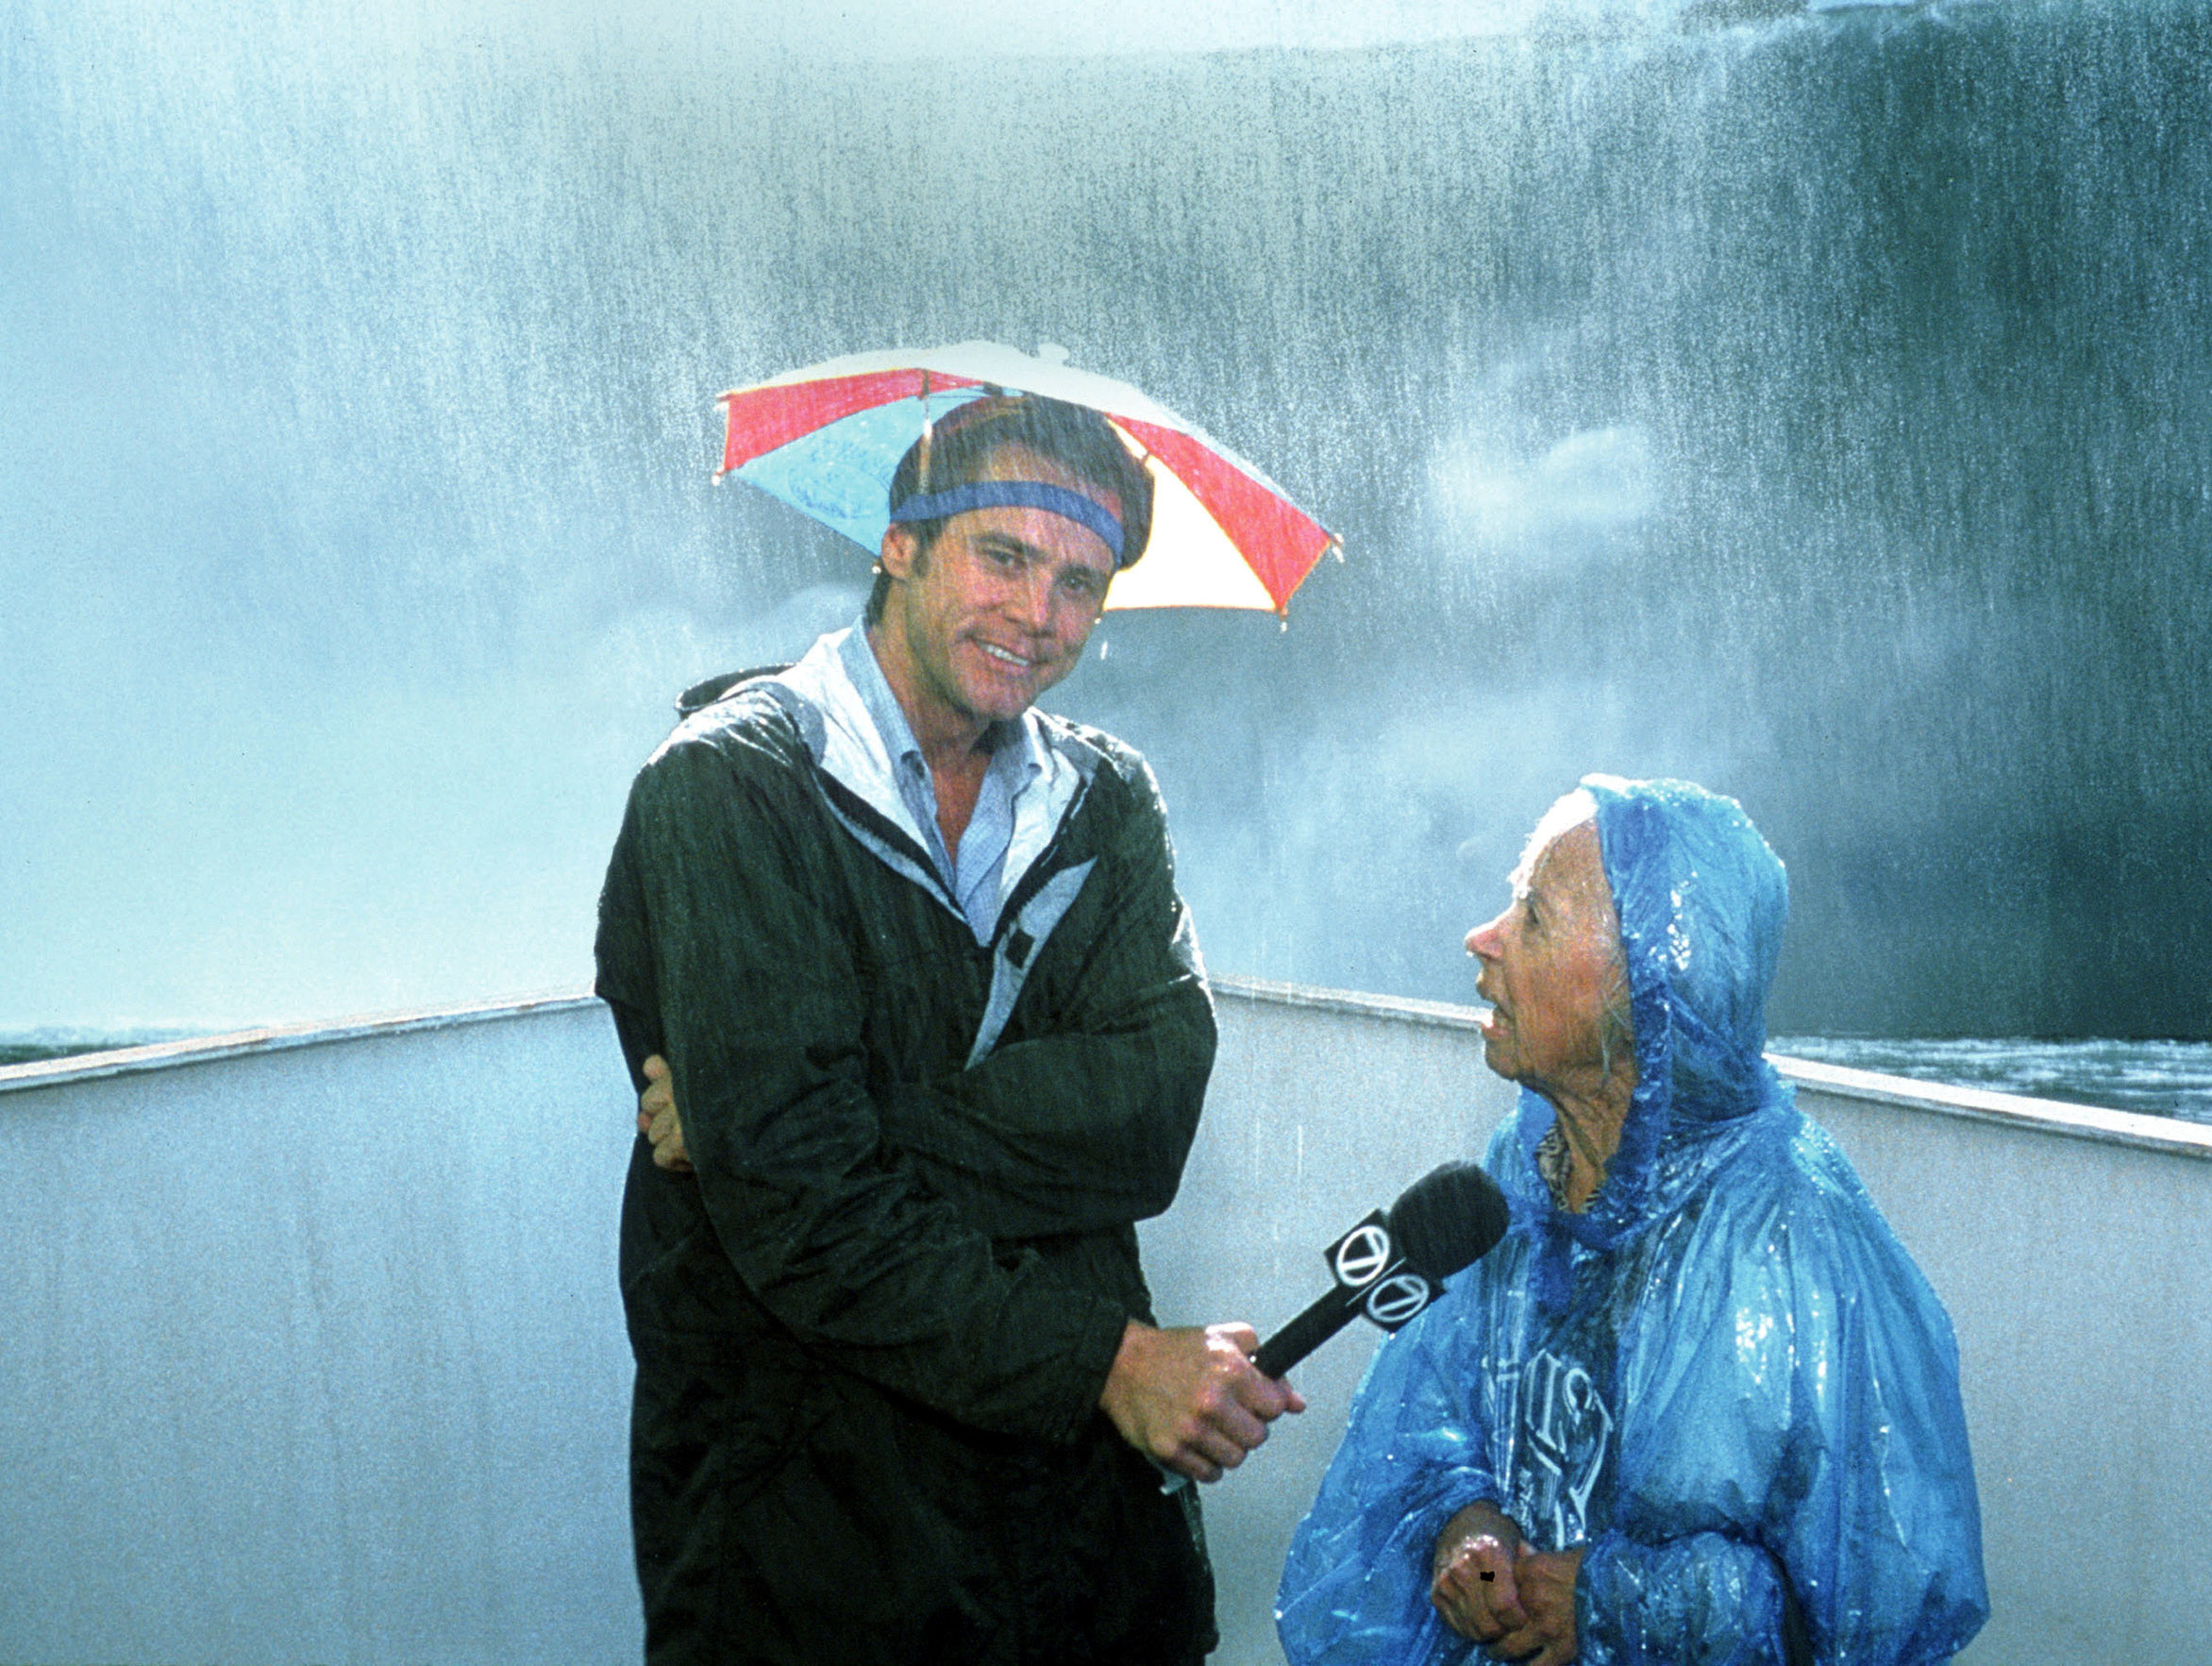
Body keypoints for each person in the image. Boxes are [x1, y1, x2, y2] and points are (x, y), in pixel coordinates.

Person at [594, 392, 1303, 1666]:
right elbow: (811, 1228)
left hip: (1071, 1536)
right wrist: (1105, 1359)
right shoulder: (728, 787)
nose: (1039, 614)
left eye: (1080, 582)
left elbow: (1148, 1114)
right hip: (811, 1528)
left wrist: (784, 1134)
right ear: (901, 544)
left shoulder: (1105, 799)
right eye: (1004, 556)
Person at [1276, 777, 1989, 1666]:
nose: (1484, 938)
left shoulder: (1799, 1237)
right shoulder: (1518, 1175)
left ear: (1654, 982)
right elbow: (1427, 1421)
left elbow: (1888, 1605)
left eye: (1534, 917)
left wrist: (1625, 1607)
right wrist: (1467, 1525)